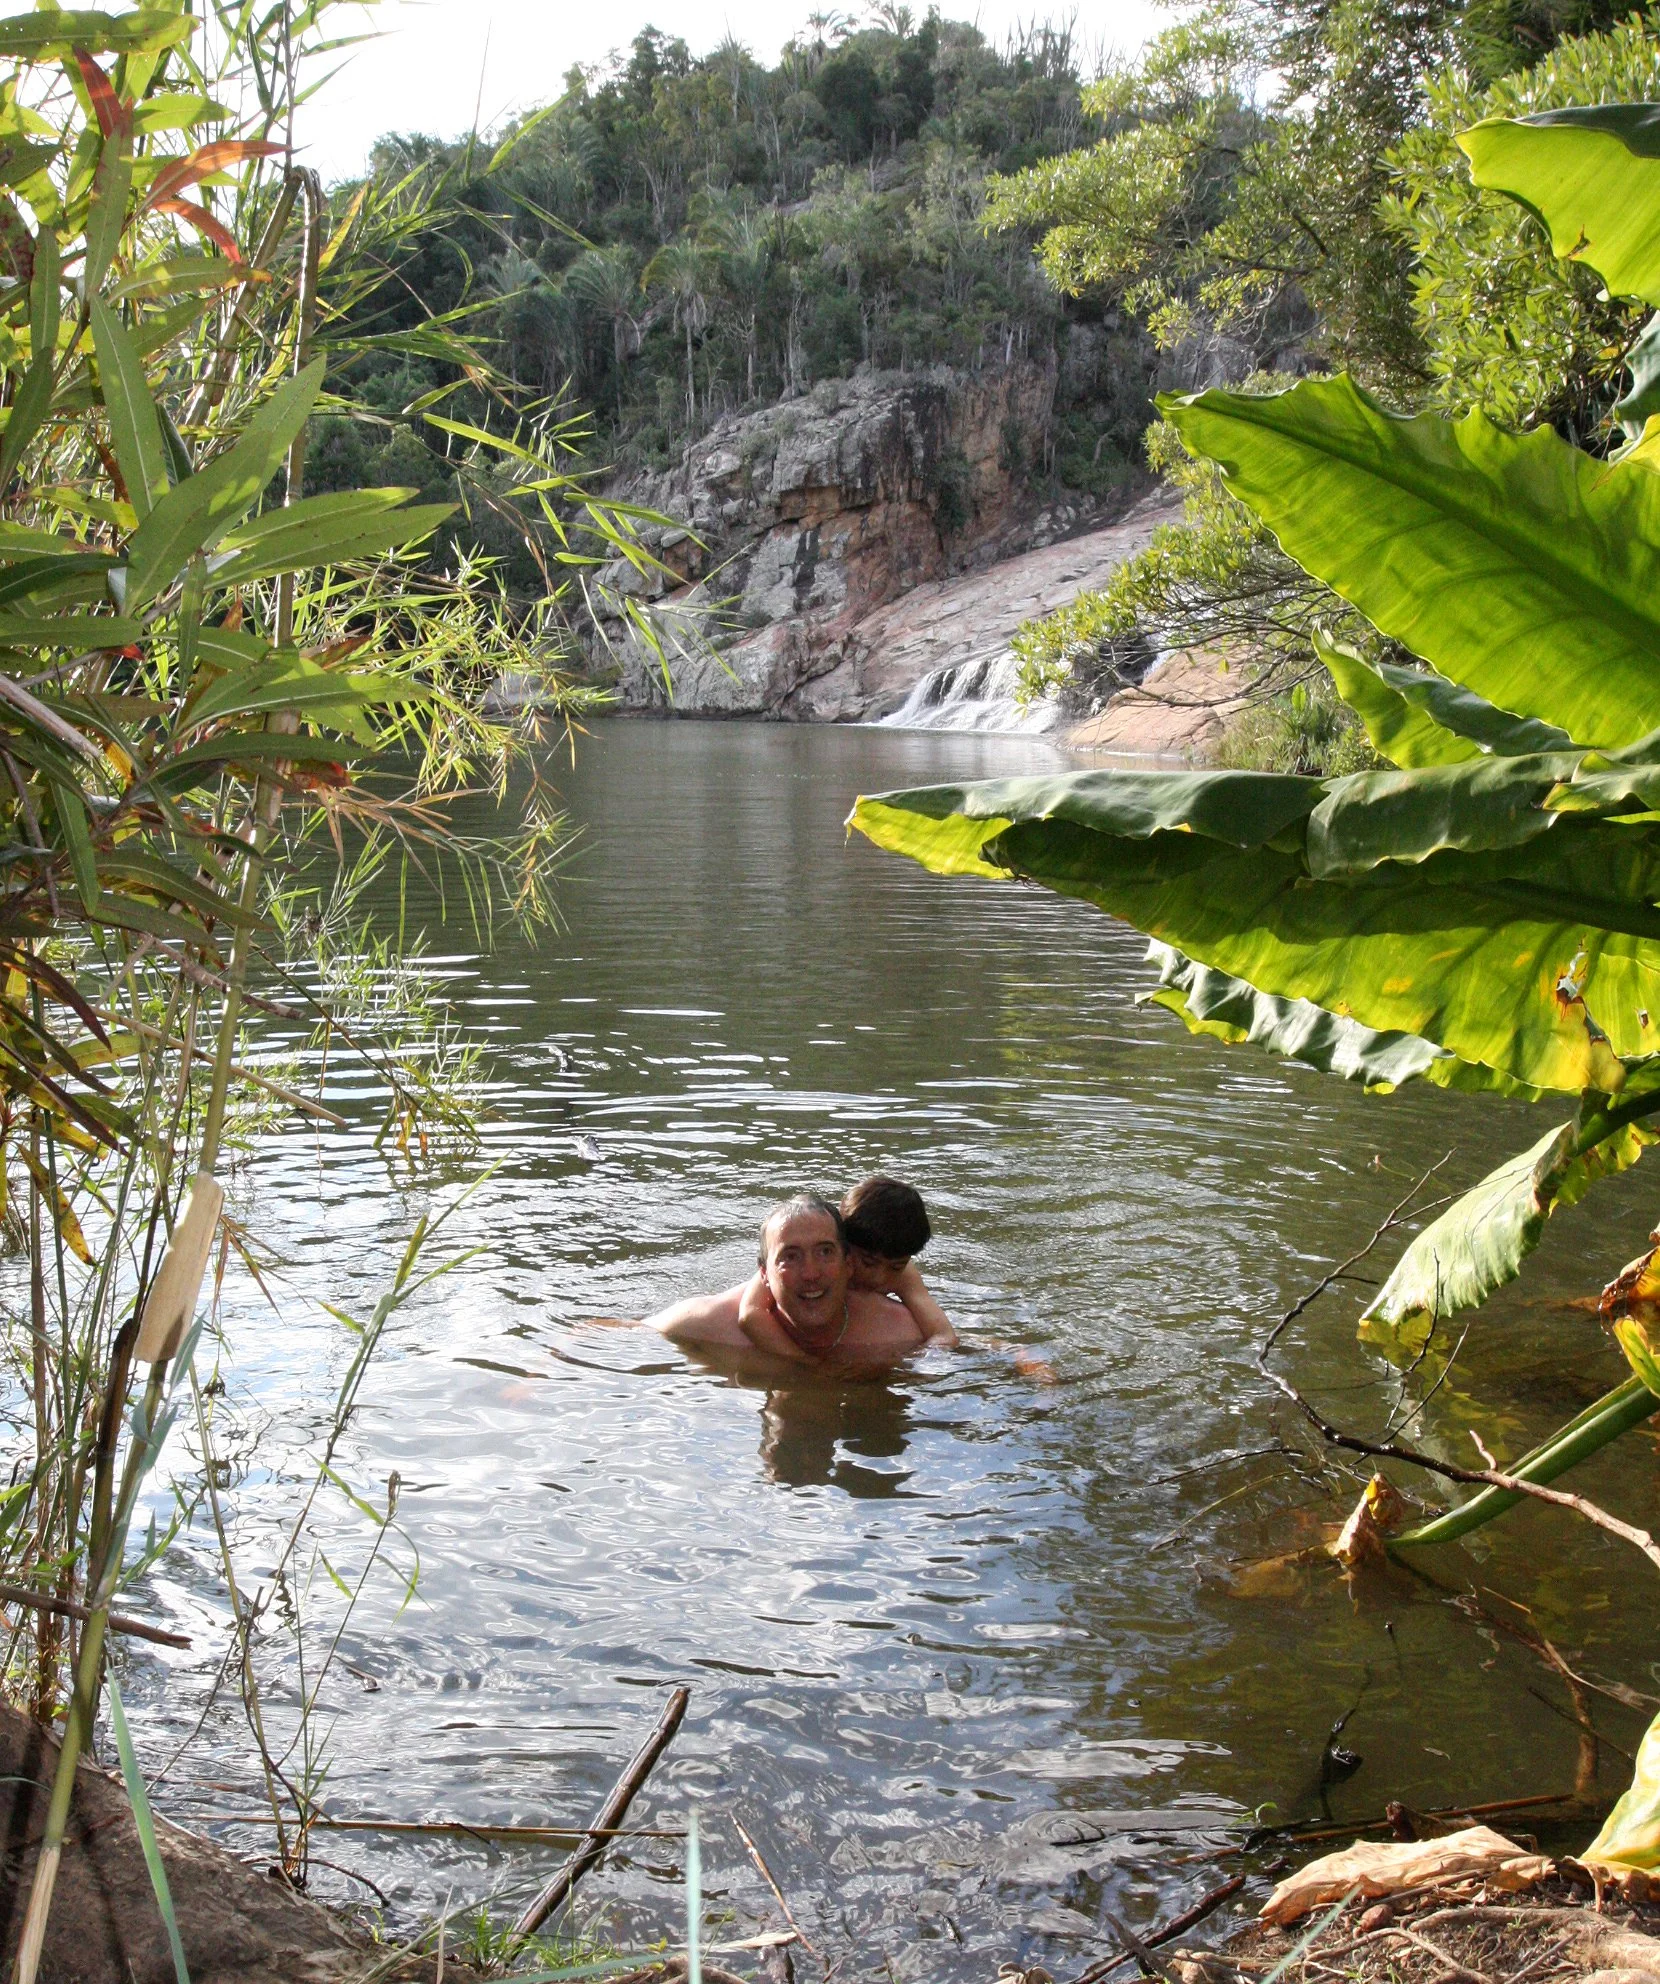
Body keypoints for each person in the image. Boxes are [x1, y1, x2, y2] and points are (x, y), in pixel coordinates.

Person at [642, 1193, 929, 1368]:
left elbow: (950, 1348)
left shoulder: (900, 1332)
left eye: (825, 1252)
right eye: (790, 1257)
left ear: (849, 1263)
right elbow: (615, 1338)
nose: (811, 1273)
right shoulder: (703, 1325)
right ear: (763, 1273)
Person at [739, 1176, 957, 1361]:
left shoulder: (905, 1273)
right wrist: (806, 1364)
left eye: (896, 1267)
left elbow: (943, 1334)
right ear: (843, 1245)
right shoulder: (795, 1267)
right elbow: (750, 1314)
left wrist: (904, 1366)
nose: (879, 1278)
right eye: (868, 1262)